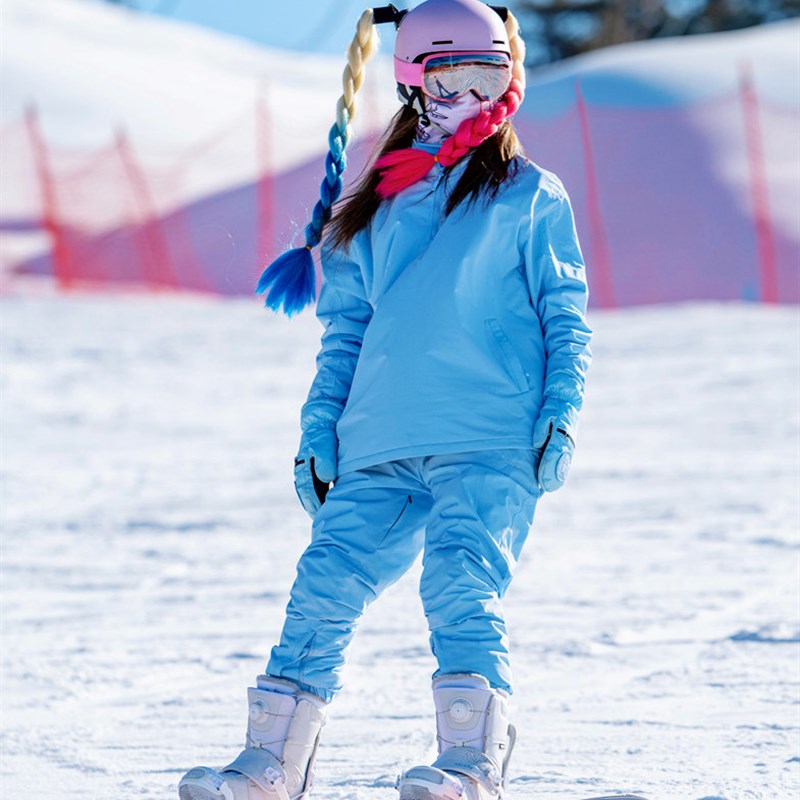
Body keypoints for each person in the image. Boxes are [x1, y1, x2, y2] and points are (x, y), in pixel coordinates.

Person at [178, 1, 592, 799]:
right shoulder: (372, 209)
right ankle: (271, 764)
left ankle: (469, 765)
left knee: (460, 582)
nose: (472, 96)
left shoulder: (531, 196)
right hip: (379, 436)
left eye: (490, 75)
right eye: (452, 77)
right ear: (413, 84)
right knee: (322, 585)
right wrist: (319, 428)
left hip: (489, 430)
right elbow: (344, 334)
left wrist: (561, 410)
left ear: (511, 80)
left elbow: (564, 316)